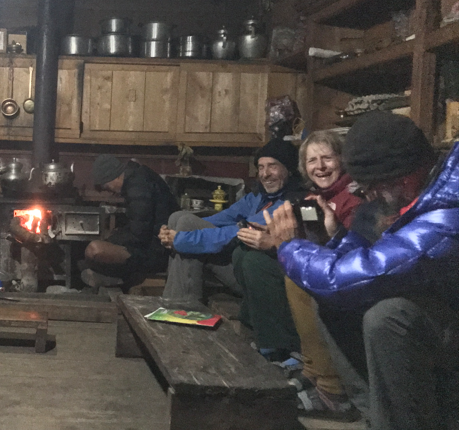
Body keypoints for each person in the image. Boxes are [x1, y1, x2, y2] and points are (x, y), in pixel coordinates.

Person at [266, 112, 458, 430]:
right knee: (340, 302)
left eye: (370, 186)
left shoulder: (446, 217)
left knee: (389, 315)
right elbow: (377, 265)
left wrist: (288, 246)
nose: (366, 194)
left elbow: (348, 278)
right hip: (445, 314)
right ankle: (371, 412)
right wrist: (336, 237)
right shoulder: (423, 195)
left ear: (404, 177)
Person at [160, 138, 304, 364]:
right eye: (261, 167)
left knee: (187, 228)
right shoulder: (258, 197)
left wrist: (182, 239)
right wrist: (174, 232)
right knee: (180, 218)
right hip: (241, 266)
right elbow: (219, 220)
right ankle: (176, 310)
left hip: (262, 276)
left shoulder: (290, 202)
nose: (265, 174)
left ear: (289, 169)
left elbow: (238, 233)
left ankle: (179, 315)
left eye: (273, 166)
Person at [279, 131, 363, 416]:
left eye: (327, 158)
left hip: (353, 281)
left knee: (301, 280)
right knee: (292, 272)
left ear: (342, 159)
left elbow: (357, 251)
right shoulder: (313, 198)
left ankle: (332, 391)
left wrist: (333, 231)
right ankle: (313, 371)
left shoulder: (354, 196)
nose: (321, 166)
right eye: (312, 160)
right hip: (332, 271)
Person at [82, 154, 179, 289]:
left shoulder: (138, 187)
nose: (110, 191)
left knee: (94, 250)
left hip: (157, 252)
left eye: (107, 186)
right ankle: (112, 277)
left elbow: (139, 235)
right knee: (92, 257)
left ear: (115, 176)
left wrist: (111, 242)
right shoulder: (137, 178)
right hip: (154, 247)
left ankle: (123, 279)